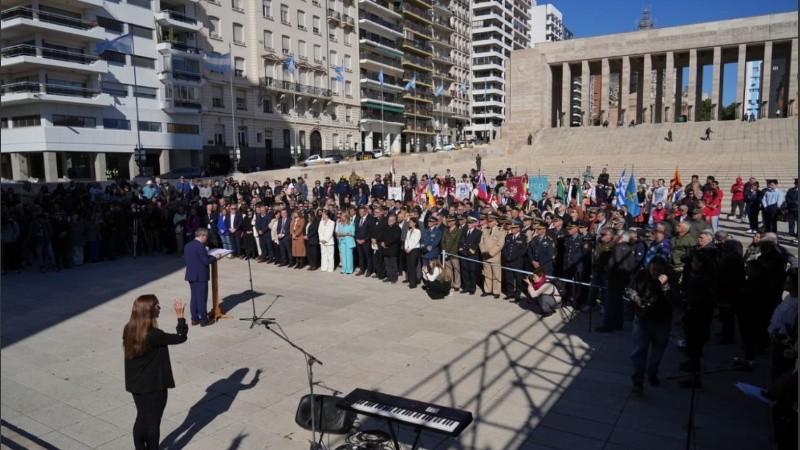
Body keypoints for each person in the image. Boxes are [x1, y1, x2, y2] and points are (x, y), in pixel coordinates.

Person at [123, 295, 188, 449]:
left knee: (141, 417)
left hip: (136, 385)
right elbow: (180, 337)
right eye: (157, 306)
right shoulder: (153, 334)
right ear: (149, 310)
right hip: (153, 387)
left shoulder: (129, 328)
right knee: (153, 422)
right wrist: (180, 316)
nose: (160, 308)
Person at [628, 257, 672, 395]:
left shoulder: (670, 277)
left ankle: (652, 372)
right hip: (643, 319)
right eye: (653, 269)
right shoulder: (642, 274)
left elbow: (675, 300)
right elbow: (630, 289)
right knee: (640, 350)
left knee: (658, 351)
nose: (656, 272)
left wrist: (665, 286)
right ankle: (637, 382)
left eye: (659, 270)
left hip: (662, 322)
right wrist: (636, 298)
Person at [183, 228, 222, 326]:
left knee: (194, 297)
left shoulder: (188, 245)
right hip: (200, 276)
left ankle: (194, 319)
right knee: (201, 298)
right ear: (202, 236)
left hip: (191, 274)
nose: (206, 239)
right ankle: (204, 320)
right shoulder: (200, 247)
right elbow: (205, 261)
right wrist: (215, 257)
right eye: (206, 237)